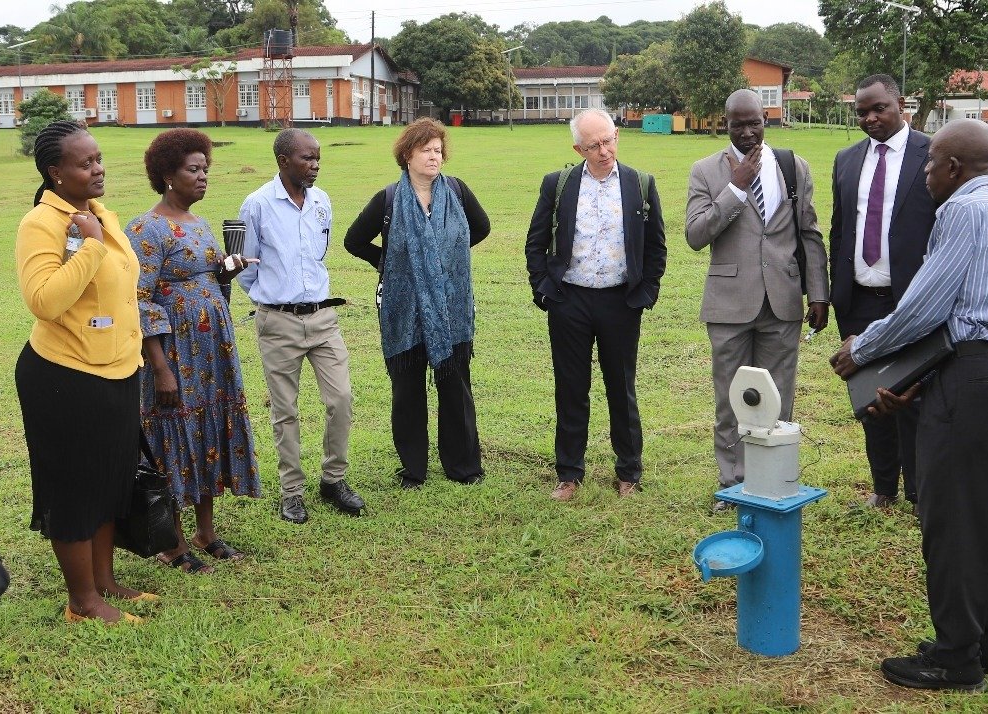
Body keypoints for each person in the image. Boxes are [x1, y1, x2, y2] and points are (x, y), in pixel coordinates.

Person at [831, 119, 988, 692]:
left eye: (930, 164)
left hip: (974, 379)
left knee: (952, 518)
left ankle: (955, 658)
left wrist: (863, 348)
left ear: (954, 167)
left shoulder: (963, 212)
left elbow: (925, 304)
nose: (924, 173)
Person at [14, 120, 152, 624]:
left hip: (118, 370)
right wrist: (90, 246)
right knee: (73, 487)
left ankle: (104, 581)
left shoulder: (100, 214)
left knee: (110, 480)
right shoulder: (43, 224)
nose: (97, 169)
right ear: (55, 173)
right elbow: (45, 300)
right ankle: (83, 602)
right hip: (63, 376)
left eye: (98, 159)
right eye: (84, 163)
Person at [126, 128, 260, 573]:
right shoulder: (147, 229)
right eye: (193, 169)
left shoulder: (199, 224)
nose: (203, 177)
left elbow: (209, 286)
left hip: (211, 350)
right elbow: (138, 299)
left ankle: (206, 532)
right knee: (174, 438)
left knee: (206, 433)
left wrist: (228, 271)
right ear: (167, 174)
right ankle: (173, 543)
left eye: (206, 169)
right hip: (174, 353)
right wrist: (159, 367)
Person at [685, 89, 828, 505]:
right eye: (738, 124)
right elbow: (695, 235)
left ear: (766, 120)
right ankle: (733, 485)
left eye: (755, 123)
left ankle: (771, 480)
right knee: (732, 400)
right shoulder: (706, 171)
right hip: (729, 302)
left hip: (782, 301)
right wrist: (735, 189)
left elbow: (809, 233)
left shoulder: (792, 166)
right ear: (724, 123)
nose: (747, 133)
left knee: (778, 397)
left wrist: (819, 292)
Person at [525, 108, 667, 501]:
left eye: (608, 140)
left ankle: (629, 473)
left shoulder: (640, 184)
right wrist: (544, 290)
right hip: (569, 300)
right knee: (571, 388)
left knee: (621, 388)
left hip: (621, 301)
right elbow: (535, 243)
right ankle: (569, 474)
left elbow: (656, 245)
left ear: (617, 135)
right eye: (593, 145)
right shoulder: (559, 184)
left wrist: (645, 292)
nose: (604, 151)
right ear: (578, 148)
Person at [344, 117, 492, 489]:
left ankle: (463, 466)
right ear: (407, 154)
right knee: (407, 390)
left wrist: (442, 258)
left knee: (455, 385)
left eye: (438, 150)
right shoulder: (389, 199)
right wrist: (391, 263)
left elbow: (482, 227)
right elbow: (353, 241)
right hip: (403, 307)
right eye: (426, 150)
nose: (434, 156)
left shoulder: (457, 191)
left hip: (451, 305)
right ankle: (414, 469)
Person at [237, 128, 367, 523]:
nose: (314, 165)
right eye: (307, 159)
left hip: (324, 318)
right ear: (283, 161)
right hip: (278, 322)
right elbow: (245, 267)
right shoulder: (257, 205)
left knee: (341, 400)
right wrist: (271, 300)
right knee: (285, 411)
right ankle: (292, 491)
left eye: (317, 158)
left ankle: (333, 480)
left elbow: (319, 255)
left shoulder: (321, 201)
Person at [829, 75, 936, 510]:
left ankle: (918, 492)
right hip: (859, 300)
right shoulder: (847, 158)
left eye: (879, 109)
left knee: (912, 398)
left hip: (910, 302)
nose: (870, 118)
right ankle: (884, 489)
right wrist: (831, 293)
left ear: (901, 104)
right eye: (862, 112)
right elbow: (839, 229)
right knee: (871, 400)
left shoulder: (933, 152)